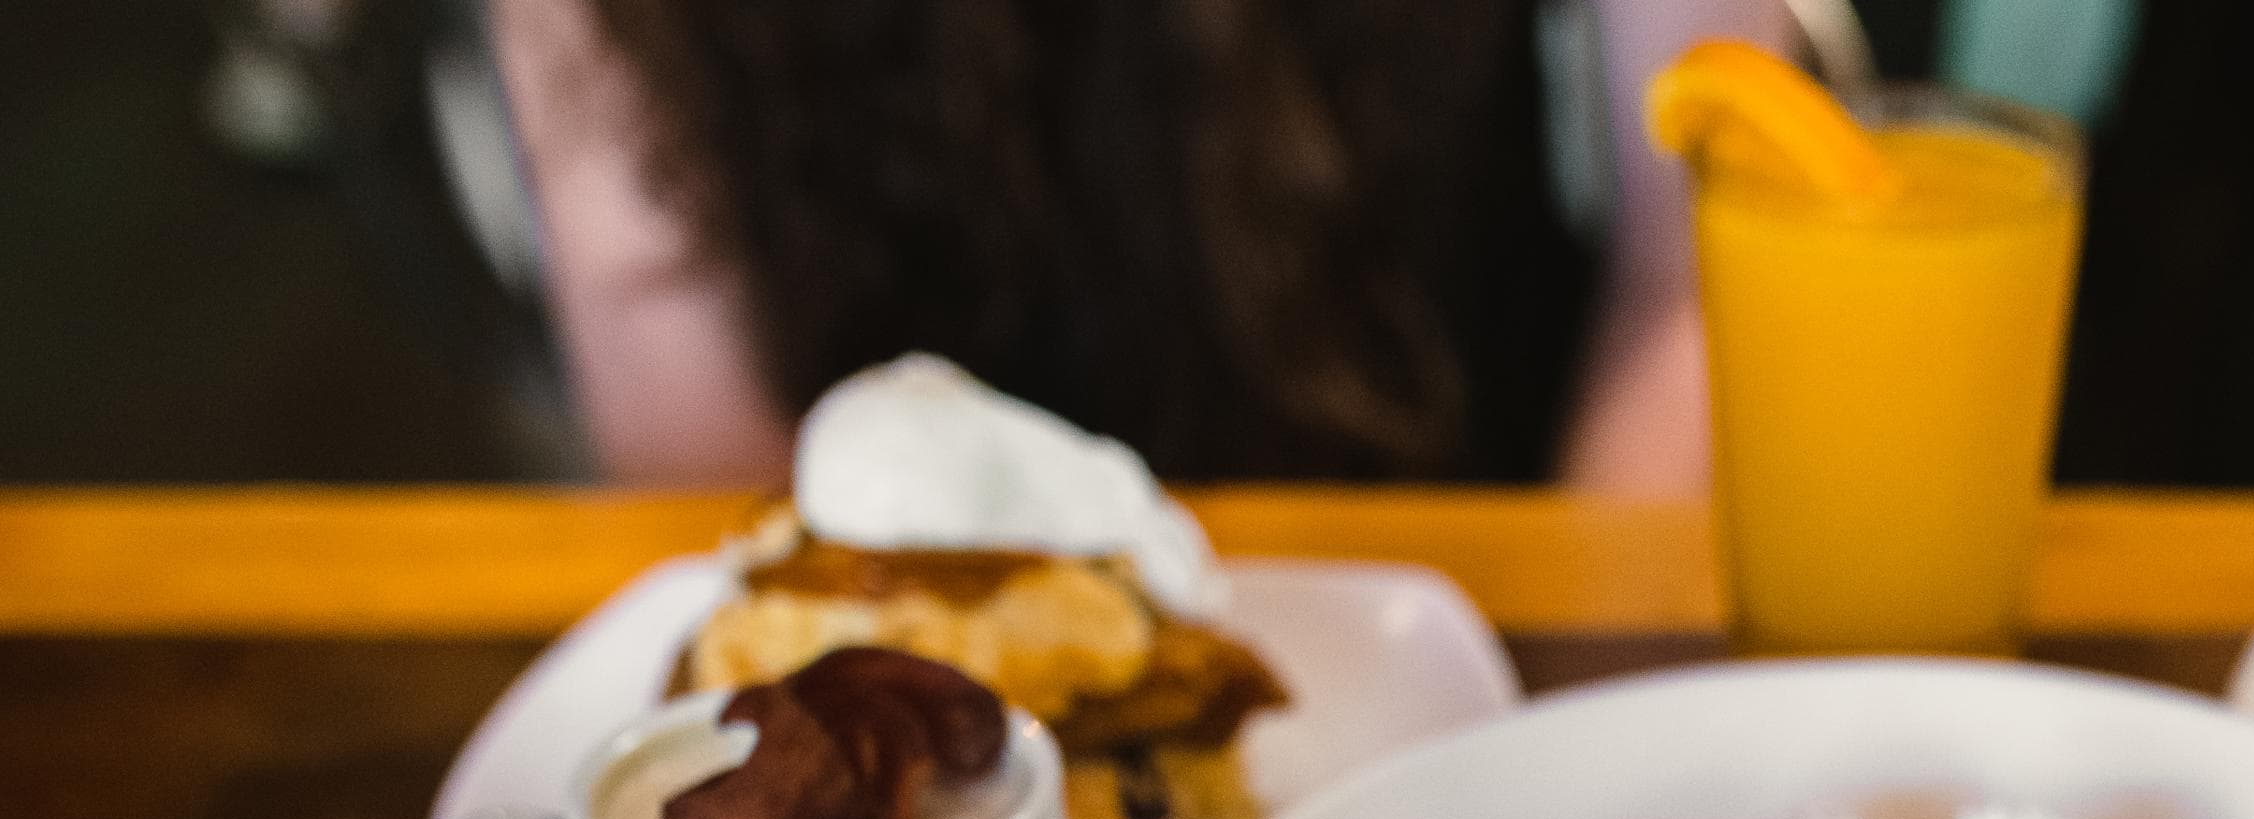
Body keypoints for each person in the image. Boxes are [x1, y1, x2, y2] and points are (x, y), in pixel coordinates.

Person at [488, 0, 1793, 490]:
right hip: (903, 679)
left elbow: (1698, 274)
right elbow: (674, 372)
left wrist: (1541, 758)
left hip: (1452, 555)